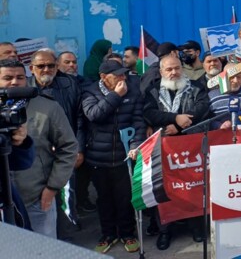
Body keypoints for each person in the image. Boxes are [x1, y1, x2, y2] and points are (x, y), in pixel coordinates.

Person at [4, 59, 78, 238]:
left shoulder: (47, 107)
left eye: (20, 77)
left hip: (37, 200)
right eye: (7, 78)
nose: (14, 82)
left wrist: (53, 187)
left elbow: (68, 147)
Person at [143, 55, 210, 249]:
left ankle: (197, 228)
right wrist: (174, 118)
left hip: (189, 147)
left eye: (177, 68)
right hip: (163, 149)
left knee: (192, 187)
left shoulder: (195, 87)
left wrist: (180, 127)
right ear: (161, 71)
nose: (174, 72)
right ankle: (165, 231)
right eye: (169, 69)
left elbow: (202, 109)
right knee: (165, 190)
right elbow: (149, 113)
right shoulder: (152, 90)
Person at [82, 60, 145, 253]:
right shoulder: (90, 92)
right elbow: (94, 115)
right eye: (117, 75)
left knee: (124, 197)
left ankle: (127, 233)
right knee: (104, 198)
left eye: (124, 74)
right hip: (98, 157)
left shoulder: (133, 91)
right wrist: (116, 96)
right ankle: (108, 234)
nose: (123, 78)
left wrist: (135, 145)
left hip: (123, 155)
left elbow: (138, 121)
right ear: (103, 77)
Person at [27, 50, 92, 218]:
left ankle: (68, 228)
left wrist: (78, 148)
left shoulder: (69, 85)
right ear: (32, 68)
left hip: (66, 151)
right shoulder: (24, 89)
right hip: (37, 155)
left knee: (67, 197)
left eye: (51, 66)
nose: (46, 69)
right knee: (40, 202)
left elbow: (80, 119)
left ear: (56, 67)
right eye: (41, 66)